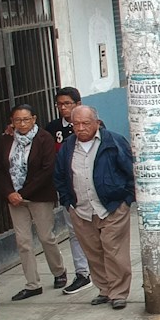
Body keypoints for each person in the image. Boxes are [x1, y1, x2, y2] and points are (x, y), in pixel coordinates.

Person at [52, 106, 135, 310]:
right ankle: (105, 290)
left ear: (97, 123)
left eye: (85, 123)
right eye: (76, 124)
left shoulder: (113, 142)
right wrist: (67, 202)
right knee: (93, 252)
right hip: (81, 209)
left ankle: (119, 293)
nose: (80, 128)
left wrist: (126, 198)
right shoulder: (68, 147)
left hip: (112, 207)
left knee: (114, 250)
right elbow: (60, 176)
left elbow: (130, 170)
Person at [0, 105, 66, 301]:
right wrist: (10, 192)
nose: (22, 123)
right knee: (23, 242)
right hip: (14, 198)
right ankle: (32, 284)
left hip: (39, 195)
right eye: (18, 120)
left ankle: (59, 271)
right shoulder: (7, 138)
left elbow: (47, 170)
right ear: (12, 121)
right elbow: (1, 169)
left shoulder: (44, 138)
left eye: (26, 119)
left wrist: (23, 193)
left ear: (34, 119)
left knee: (46, 237)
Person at [49, 89, 93, 295]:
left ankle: (105, 273)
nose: (63, 108)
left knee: (100, 233)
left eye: (67, 103)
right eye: (60, 104)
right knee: (75, 232)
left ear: (78, 103)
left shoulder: (94, 127)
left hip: (93, 190)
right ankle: (82, 273)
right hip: (70, 192)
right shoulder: (53, 129)